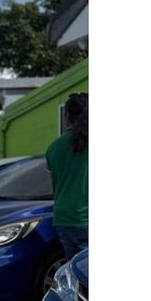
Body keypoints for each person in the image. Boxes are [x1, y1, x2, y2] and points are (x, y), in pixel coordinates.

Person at [45, 93, 88, 259]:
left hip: (64, 218)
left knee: (74, 274)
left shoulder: (53, 147)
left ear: (66, 116)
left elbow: (55, 184)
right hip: (87, 218)